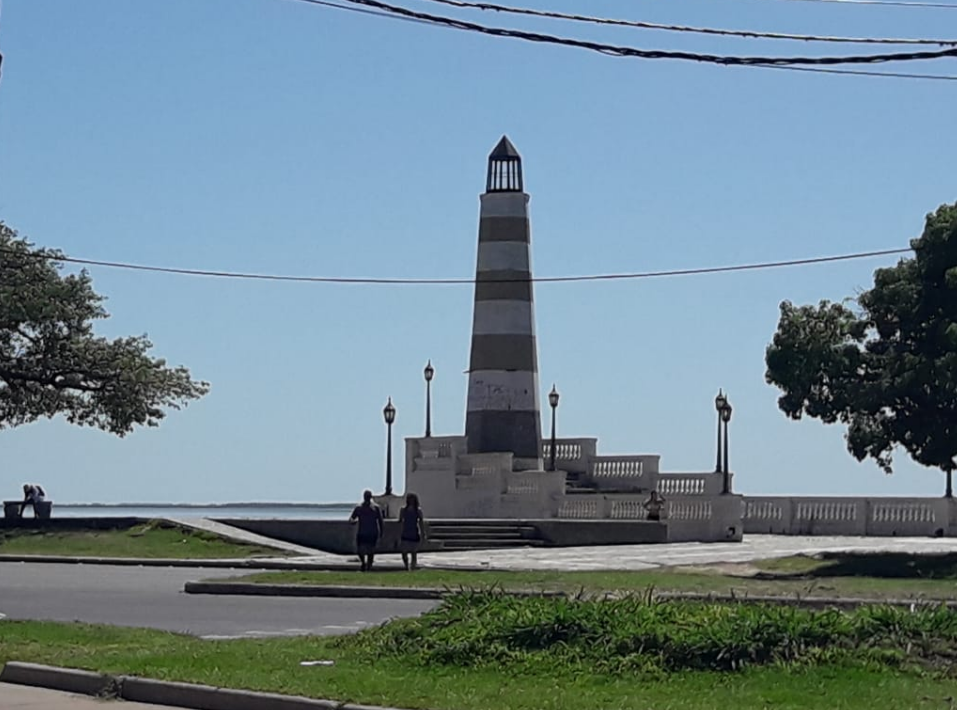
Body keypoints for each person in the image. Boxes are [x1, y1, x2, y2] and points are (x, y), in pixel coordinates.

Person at [349, 489, 383, 572]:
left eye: (368, 497)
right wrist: (352, 521)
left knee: (371, 551)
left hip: (372, 532)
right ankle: (363, 562)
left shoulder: (376, 508)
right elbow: (351, 518)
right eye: (366, 496)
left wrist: (381, 531)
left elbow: (380, 520)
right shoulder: (359, 508)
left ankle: (369, 567)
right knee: (360, 550)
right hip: (362, 532)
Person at [398, 493, 426, 571]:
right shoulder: (403, 509)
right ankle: (406, 566)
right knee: (404, 552)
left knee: (413, 552)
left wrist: (423, 533)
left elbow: (421, 522)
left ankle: (413, 567)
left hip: (414, 532)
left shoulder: (418, 510)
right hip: (405, 532)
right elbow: (400, 521)